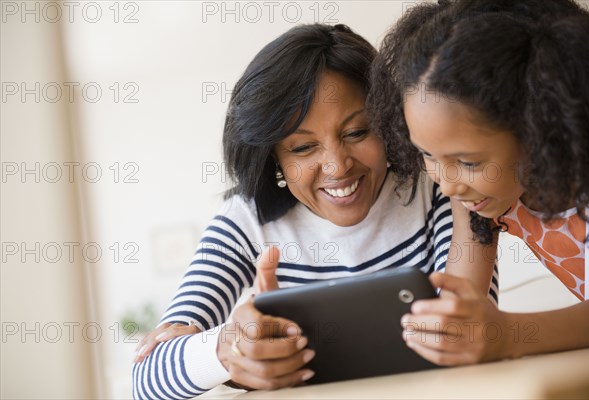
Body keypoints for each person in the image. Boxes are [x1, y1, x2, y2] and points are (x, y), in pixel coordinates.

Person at [131, 23, 497, 399]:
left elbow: (470, 329)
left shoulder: (438, 185)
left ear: (387, 122)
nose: (337, 166)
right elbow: (148, 378)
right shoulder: (246, 222)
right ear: (273, 157)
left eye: (356, 133)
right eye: (303, 149)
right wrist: (228, 352)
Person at [368, 0, 589, 366]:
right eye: (428, 154)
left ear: (541, 127)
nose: (447, 186)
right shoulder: (479, 195)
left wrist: (507, 334)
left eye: (468, 162)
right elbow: (462, 296)